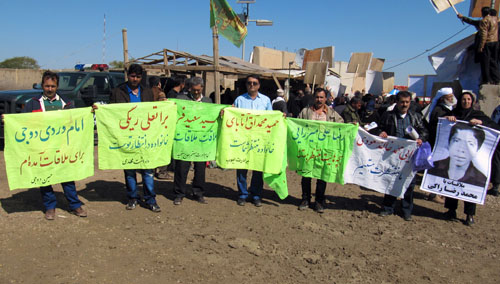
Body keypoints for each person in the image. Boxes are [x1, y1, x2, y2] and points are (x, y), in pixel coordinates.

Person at [23, 71, 87, 220]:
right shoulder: (32, 103)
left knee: (67, 177)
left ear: (57, 86)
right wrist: (8, 120)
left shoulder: (66, 102)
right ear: (42, 85)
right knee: (45, 178)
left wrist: (90, 112)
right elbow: (22, 121)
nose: (50, 89)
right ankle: (50, 207)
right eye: (47, 86)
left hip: (63, 147)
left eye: (53, 86)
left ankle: (74, 205)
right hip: (42, 148)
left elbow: (76, 120)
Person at [440, 91, 500, 225]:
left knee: (470, 187)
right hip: (454, 158)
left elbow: (495, 128)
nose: (466, 102)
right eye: (463, 99)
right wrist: (447, 119)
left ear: (472, 102)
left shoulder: (478, 115)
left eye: (468, 99)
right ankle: (451, 210)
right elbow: (438, 125)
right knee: (451, 182)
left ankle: (469, 215)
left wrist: (481, 122)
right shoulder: (453, 113)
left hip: (470, 160)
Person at [110, 64, 161, 213]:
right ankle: (132, 198)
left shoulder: (147, 92)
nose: (135, 79)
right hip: (126, 137)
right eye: (132, 76)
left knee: (147, 170)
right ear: (128, 75)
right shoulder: (117, 92)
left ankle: (150, 199)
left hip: (144, 137)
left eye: (138, 77)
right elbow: (111, 112)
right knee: (130, 170)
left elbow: (152, 112)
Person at [377, 91, 428, 221]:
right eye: (402, 102)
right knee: (391, 179)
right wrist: (381, 132)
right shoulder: (388, 116)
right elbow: (378, 127)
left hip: (410, 155)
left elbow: (424, 131)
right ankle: (388, 207)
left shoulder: (415, 116)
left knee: (409, 182)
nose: (404, 105)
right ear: (397, 102)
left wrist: (421, 138)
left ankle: (406, 210)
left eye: (407, 102)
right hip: (393, 154)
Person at [297, 88, 344, 213]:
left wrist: (353, 125)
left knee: (322, 176)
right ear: (314, 98)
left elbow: (342, 125)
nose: (319, 100)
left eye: (321, 97)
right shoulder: (306, 112)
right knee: (306, 175)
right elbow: (296, 125)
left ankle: (319, 201)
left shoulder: (332, 114)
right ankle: (305, 199)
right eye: (317, 97)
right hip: (308, 149)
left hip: (324, 150)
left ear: (326, 98)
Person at [233, 75, 272, 207]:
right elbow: (233, 117)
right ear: (246, 85)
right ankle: (242, 194)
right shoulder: (239, 100)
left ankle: (256, 195)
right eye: (249, 83)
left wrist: (280, 117)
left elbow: (271, 119)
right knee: (242, 168)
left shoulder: (266, 101)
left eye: (254, 83)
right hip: (243, 140)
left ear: (259, 85)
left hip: (259, 141)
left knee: (257, 169)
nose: (252, 85)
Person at [173, 77, 212, 205]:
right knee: (181, 167)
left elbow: (212, 116)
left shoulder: (208, 101)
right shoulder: (181, 100)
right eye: (194, 90)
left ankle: (198, 193)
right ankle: (179, 193)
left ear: (202, 88)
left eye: (198, 90)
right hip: (185, 139)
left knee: (200, 168)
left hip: (201, 140)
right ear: (190, 88)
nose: (196, 93)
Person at [428, 123, 486, 187]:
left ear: (477, 149)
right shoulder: (433, 167)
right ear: (449, 144)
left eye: (470, 144)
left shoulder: (480, 179)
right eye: (456, 141)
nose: (461, 149)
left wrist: (481, 122)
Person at [459, 7, 500, 84]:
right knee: (493, 62)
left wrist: (481, 46)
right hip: (495, 43)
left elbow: (483, 35)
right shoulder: (495, 20)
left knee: (485, 63)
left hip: (487, 43)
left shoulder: (484, 21)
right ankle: (496, 79)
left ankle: (486, 80)